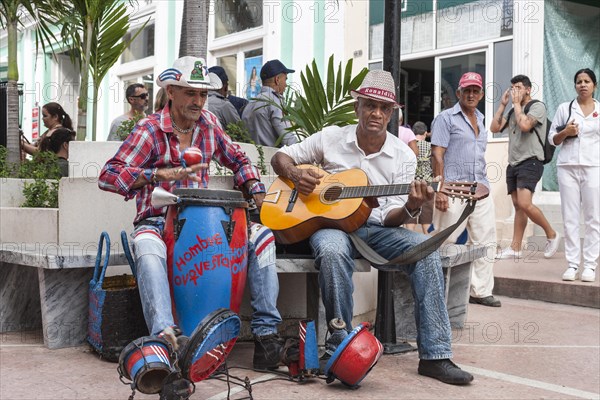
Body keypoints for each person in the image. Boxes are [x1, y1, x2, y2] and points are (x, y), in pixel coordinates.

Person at [271, 70, 474, 386]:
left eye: (383, 108)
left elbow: (393, 216)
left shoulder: (402, 155)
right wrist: (296, 176)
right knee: (331, 249)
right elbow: (281, 158)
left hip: (378, 231)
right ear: (357, 108)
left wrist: (411, 207)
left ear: (392, 113)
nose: (376, 113)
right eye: (369, 105)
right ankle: (340, 345)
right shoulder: (330, 138)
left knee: (426, 252)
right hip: (332, 227)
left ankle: (435, 356)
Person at [98, 56, 290, 372]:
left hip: (207, 223)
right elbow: (108, 175)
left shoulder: (210, 124)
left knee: (263, 237)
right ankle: (166, 342)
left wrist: (256, 190)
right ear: (171, 91)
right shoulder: (149, 130)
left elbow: (240, 160)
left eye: (202, 94)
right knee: (147, 246)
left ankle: (266, 338)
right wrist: (157, 175)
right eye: (190, 93)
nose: (198, 101)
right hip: (158, 220)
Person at [431, 72, 501, 308]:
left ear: (481, 94)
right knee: (443, 240)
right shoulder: (445, 118)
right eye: (466, 90)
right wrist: (439, 189)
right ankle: (431, 287)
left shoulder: (481, 119)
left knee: (485, 242)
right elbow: (437, 154)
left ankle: (480, 291)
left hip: (480, 190)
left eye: (475, 90)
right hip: (452, 190)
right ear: (459, 92)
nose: (471, 94)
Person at [490, 75, 560, 260]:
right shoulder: (513, 110)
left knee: (524, 203)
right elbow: (494, 128)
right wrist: (503, 105)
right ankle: (515, 247)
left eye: (519, 87)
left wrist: (516, 105)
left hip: (531, 161)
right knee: (518, 206)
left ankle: (551, 234)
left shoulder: (537, 107)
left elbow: (525, 125)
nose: (515, 91)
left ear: (528, 89)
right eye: (512, 87)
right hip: (513, 163)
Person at [549, 68, 599, 282]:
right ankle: (572, 264)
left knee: (593, 218)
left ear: (594, 85)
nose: (583, 84)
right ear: (575, 85)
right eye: (579, 81)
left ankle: (589, 265)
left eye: (587, 81)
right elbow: (552, 139)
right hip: (567, 167)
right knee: (570, 218)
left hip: (593, 167)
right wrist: (565, 132)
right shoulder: (565, 108)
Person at [242, 59, 298, 147]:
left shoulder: (250, 103)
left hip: (252, 158)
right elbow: (287, 139)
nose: (286, 85)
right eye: (285, 79)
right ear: (277, 80)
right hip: (273, 158)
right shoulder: (275, 102)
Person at [408, 121, 434, 234]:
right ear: (425, 133)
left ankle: (409, 240)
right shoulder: (430, 146)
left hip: (411, 183)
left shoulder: (409, 145)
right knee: (427, 214)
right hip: (427, 183)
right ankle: (427, 242)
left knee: (410, 211)